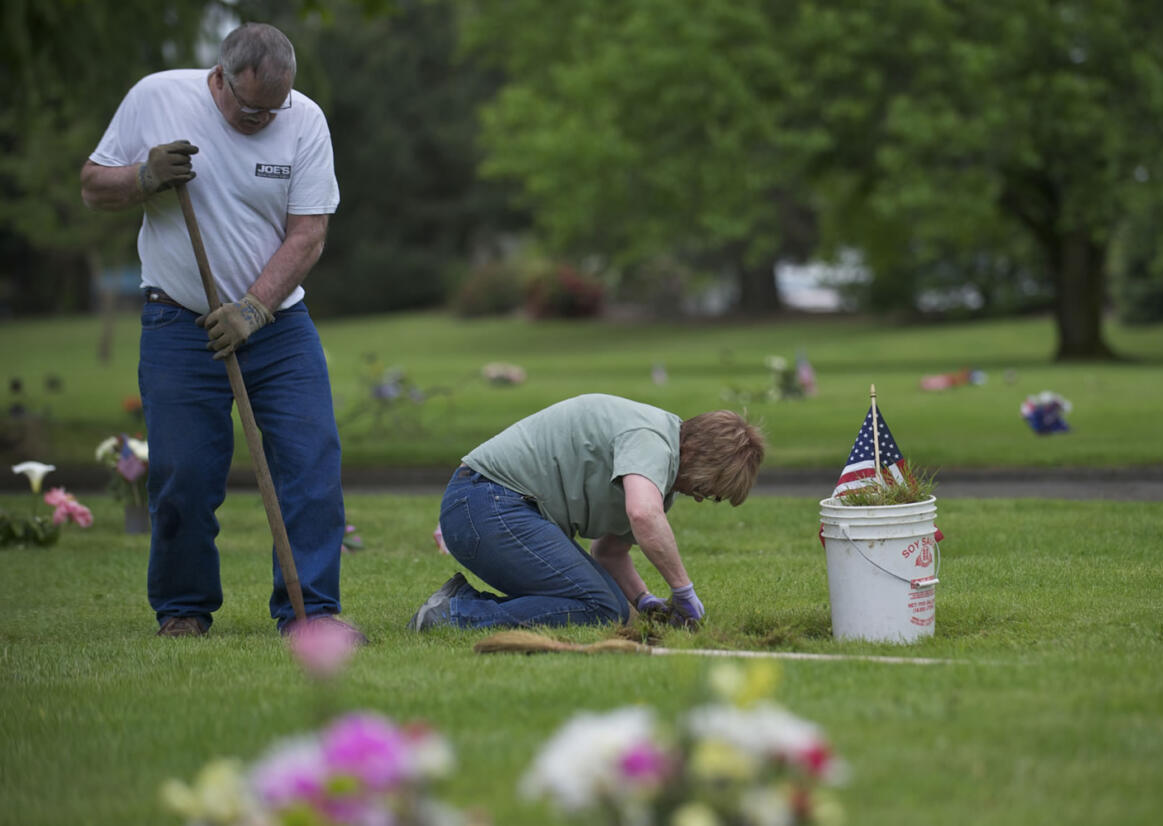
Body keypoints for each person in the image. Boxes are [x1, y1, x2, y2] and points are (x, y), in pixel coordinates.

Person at [81, 23, 361, 641]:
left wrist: (254, 308)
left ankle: (310, 613)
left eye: (275, 107)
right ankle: (183, 609)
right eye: (250, 106)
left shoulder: (305, 120)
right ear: (220, 76)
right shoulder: (156, 97)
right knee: (183, 472)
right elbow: (93, 186)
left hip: (278, 326)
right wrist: (144, 177)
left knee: (312, 461)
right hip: (178, 322)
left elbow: (308, 231)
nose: (264, 117)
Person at [409, 393, 765, 631]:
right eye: (706, 488)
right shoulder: (652, 439)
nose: (701, 498)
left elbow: (609, 552)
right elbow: (643, 515)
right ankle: (452, 617)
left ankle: (459, 600)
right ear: (699, 454)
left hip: (488, 509)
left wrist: (645, 601)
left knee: (612, 606)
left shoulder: (658, 465)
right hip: (485, 505)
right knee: (602, 608)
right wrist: (683, 591)